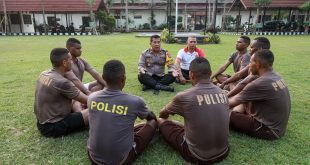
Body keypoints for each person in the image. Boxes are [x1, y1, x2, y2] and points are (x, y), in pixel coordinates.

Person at [158, 57, 230, 164]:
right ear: (210, 73)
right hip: (224, 151)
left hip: (197, 156)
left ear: (191, 74)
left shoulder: (184, 96)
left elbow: (163, 114)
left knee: (160, 121)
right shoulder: (222, 92)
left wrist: (166, 121)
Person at [87, 60, 158, 164]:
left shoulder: (92, 98)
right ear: (123, 79)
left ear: (103, 77)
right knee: (153, 123)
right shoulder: (134, 101)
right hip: (121, 160)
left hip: (93, 157)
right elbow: (151, 117)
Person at [229, 50, 291, 140]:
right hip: (279, 127)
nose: (249, 65)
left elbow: (229, 104)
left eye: (250, 62)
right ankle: (238, 112)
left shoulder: (259, 84)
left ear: (258, 64)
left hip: (268, 130)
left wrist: (216, 100)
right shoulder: (276, 76)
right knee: (243, 100)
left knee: (226, 114)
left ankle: (236, 113)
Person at [34, 48, 89, 138]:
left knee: (75, 100)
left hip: (41, 123)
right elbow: (89, 100)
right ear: (64, 63)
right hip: (53, 127)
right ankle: (82, 120)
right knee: (94, 110)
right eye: (70, 59)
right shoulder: (62, 82)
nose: (72, 62)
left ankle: (81, 117)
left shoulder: (44, 74)